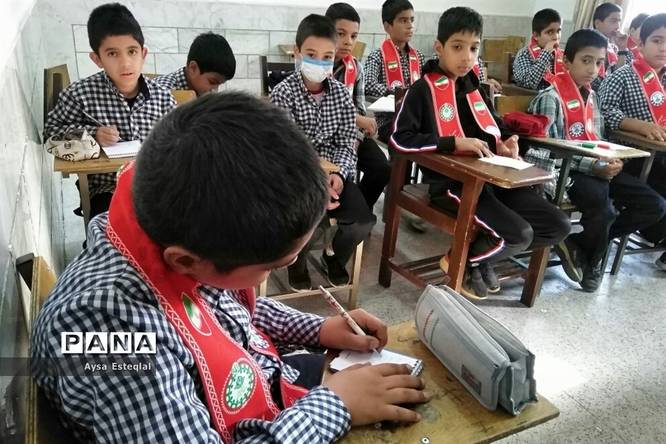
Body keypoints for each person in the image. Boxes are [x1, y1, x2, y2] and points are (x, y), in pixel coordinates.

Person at [32, 92, 430, 443]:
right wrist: (335, 405)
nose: (288, 266)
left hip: (264, 376)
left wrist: (318, 328)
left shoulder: (158, 221)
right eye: (273, 266)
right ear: (185, 261)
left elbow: (220, 307)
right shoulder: (113, 340)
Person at [390, 6, 571, 299]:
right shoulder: (422, 89)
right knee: (519, 234)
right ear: (439, 47)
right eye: (457, 47)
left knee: (558, 225)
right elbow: (399, 139)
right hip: (452, 185)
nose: (467, 57)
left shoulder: (475, 88)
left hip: (494, 180)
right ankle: (473, 258)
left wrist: (507, 143)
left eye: (474, 48)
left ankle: (478, 258)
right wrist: (452, 142)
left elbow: (496, 126)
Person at [525, 29, 666, 290]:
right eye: (586, 60)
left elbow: (599, 138)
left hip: (598, 168)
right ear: (567, 61)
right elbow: (547, 151)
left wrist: (614, 159)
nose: (593, 69)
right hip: (568, 173)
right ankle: (593, 262)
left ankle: (581, 244)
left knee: (655, 205)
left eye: (599, 63)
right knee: (604, 209)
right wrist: (595, 165)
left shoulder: (592, 97)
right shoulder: (550, 98)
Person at [270, 14, 376, 290]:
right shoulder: (283, 93)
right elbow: (285, 149)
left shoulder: (341, 94)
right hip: (298, 177)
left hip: (333, 174)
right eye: (311, 55)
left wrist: (339, 175)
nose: (319, 63)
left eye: (327, 57)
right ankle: (297, 261)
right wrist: (317, 180)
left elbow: (346, 142)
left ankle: (335, 257)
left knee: (362, 222)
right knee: (309, 222)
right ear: (297, 52)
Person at [44, 3, 175, 219]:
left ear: (143, 54)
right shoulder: (79, 95)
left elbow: (181, 142)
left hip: (154, 186)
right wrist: (92, 134)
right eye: (113, 53)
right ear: (97, 59)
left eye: (132, 51)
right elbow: (50, 132)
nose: (125, 63)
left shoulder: (163, 98)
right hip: (107, 189)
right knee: (118, 226)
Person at [599, 13, 666, 270]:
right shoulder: (622, 76)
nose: (663, 48)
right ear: (641, 43)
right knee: (655, 204)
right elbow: (603, 112)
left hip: (660, 160)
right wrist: (640, 126)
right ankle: (595, 238)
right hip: (631, 161)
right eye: (657, 41)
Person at [325, 2, 391, 210]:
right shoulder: (314, 65)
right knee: (336, 168)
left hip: (350, 134)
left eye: (353, 36)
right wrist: (357, 119)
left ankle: (358, 208)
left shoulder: (356, 68)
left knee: (382, 168)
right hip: (321, 136)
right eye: (341, 34)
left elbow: (360, 108)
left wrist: (356, 139)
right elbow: (319, 110)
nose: (348, 41)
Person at [363, 0, 426, 143]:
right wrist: (396, 93)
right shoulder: (378, 56)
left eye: (412, 20)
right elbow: (368, 84)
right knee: (412, 137)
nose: (410, 26)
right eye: (403, 20)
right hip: (389, 122)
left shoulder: (419, 57)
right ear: (388, 27)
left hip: (416, 119)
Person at [155, 32, 236, 95]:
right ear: (193, 68)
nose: (214, 90)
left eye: (219, 84)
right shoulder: (162, 93)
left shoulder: (198, 91)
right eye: (212, 82)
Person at [512, 8, 563, 90]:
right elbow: (528, 82)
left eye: (558, 31)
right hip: (535, 96)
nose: (556, 37)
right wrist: (546, 54)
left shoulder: (562, 55)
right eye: (550, 32)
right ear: (536, 36)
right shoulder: (525, 54)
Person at [591, 2, 632, 91]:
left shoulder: (613, 48)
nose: (618, 26)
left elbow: (618, 78)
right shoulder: (585, 44)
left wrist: (622, 49)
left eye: (619, 21)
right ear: (597, 23)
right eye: (613, 21)